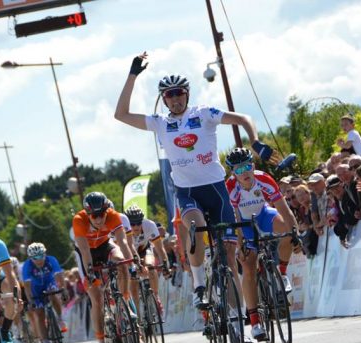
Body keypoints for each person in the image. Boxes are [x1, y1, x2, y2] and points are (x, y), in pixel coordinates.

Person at [114, 53, 278, 319]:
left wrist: (255, 141)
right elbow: (120, 114)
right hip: (188, 193)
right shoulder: (160, 123)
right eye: (169, 95)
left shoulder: (204, 114)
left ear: (187, 94)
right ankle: (200, 286)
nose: (175, 99)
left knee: (229, 255)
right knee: (194, 224)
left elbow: (244, 118)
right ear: (164, 99)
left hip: (216, 190)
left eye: (179, 93)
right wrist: (132, 74)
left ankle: (238, 324)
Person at [224, 148, 298, 341]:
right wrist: (241, 245)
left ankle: (281, 273)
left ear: (253, 166)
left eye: (247, 167)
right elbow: (236, 219)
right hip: (244, 223)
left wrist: (295, 232)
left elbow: (283, 208)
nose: (245, 173)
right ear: (233, 173)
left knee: (287, 231)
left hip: (264, 213)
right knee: (248, 266)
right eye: (239, 170)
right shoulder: (230, 187)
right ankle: (255, 323)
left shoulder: (264, 179)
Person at [72, 192, 134, 343]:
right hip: (87, 253)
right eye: (95, 216)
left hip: (105, 245)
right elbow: (84, 251)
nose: (99, 219)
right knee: (97, 299)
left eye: (102, 214)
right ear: (88, 214)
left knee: (121, 262)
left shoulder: (113, 216)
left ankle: (125, 304)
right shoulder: (79, 220)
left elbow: (122, 242)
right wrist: (91, 273)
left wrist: (132, 265)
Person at [22, 242, 67, 343]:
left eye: (41, 256)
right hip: (35, 288)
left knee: (53, 294)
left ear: (45, 254)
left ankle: (60, 318)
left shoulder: (51, 260)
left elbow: (59, 276)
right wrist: (30, 299)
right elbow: (27, 286)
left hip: (49, 282)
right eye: (35, 258)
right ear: (30, 258)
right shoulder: (27, 266)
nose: (39, 260)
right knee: (39, 314)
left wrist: (64, 289)